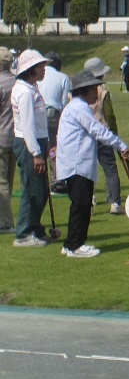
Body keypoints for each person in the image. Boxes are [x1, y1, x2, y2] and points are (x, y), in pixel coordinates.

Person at [55, 70, 129, 257]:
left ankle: (71, 244)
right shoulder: (79, 108)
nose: (97, 94)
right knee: (81, 206)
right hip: (77, 164)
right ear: (85, 90)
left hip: (75, 163)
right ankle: (75, 245)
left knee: (80, 205)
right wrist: (121, 145)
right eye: (94, 90)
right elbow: (99, 130)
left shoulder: (75, 107)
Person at [11, 50, 52, 246]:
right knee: (32, 191)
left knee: (42, 190)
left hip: (38, 142)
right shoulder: (24, 92)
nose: (44, 69)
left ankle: (35, 227)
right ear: (30, 70)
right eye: (41, 66)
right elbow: (27, 125)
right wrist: (36, 153)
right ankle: (24, 234)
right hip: (30, 145)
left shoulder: (31, 87)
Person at [82, 57, 123, 215]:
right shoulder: (103, 90)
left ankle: (89, 202)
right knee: (110, 169)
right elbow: (109, 114)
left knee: (88, 170)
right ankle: (115, 202)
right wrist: (115, 134)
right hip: (103, 133)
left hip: (85, 135)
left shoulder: (77, 90)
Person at [38, 51, 71, 190]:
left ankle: (39, 180)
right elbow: (64, 102)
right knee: (54, 146)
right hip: (53, 115)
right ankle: (56, 180)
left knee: (39, 146)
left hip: (37, 114)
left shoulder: (38, 76)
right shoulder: (63, 77)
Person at [0, 47, 18, 234]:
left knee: (1, 182)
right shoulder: (17, 82)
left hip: (1, 137)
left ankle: (6, 222)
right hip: (15, 137)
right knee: (8, 181)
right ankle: (4, 217)